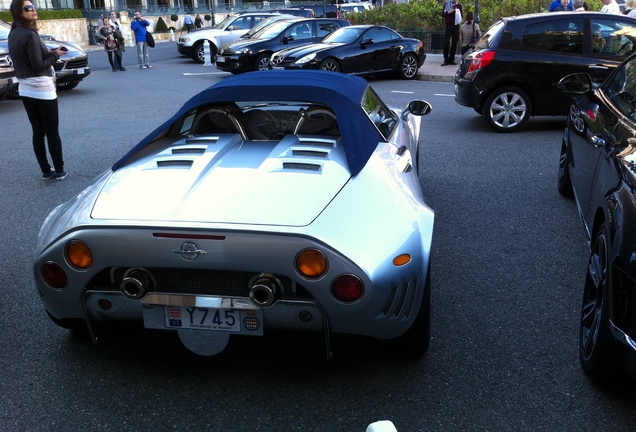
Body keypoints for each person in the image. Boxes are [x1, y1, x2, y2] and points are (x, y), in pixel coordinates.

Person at [8, 0, 68, 180]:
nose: (33, 10)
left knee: (38, 132)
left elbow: (29, 59)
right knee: (52, 131)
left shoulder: (14, 33)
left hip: (26, 89)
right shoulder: (30, 34)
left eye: (33, 6)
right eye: (28, 8)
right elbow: (38, 66)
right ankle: (59, 170)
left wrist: (47, 52)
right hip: (42, 88)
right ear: (19, 12)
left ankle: (45, 170)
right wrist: (56, 54)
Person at [441, 0, 463, 66]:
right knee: (446, 43)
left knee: (454, 43)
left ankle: (451, 59)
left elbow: (461, 16)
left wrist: (457, 12)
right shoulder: (447, 4)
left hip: (456, 26)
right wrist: (449, 12)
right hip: (448, 26)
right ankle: (446, 60)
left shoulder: (459, 6)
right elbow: (443, 14)